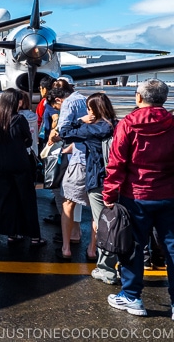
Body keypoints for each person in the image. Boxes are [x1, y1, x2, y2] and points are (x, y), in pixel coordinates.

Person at [102, 78, 174, 317]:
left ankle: (132, 297)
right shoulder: (172, 122)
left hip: (135, 195)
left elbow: (116, 163)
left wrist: (110, 193)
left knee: (132, 247)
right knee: (172, 248)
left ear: (139, 98)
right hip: (168, 195)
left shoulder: (128, 124)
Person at [57, 92, 118, 284]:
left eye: (90, 109)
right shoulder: (116, 124)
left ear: (94, 110)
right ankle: (95, 253)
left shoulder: (93, 129)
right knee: (107, 219)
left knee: (100, 220)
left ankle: (105, 268)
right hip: (115, 177)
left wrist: (79, 120)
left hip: (96, 177)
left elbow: (64, 132)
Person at [0, 88, 46, 247]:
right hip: (19, 163)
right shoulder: (19, 119)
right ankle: (34, 236)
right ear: (13, 101)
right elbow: (28, 140)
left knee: (6, 200)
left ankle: (12, 233)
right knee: (27, 200)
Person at [46, 84, 88, 260]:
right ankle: (88, 244)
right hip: (91, 157)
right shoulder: (84, 99)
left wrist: (54, 138)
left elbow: (63, 130)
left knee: (67, 201)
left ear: (58, 99)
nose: (57, 110)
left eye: (56, 107)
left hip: (78, 159)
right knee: (93, 207)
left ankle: (66, 247)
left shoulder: (69, 103)